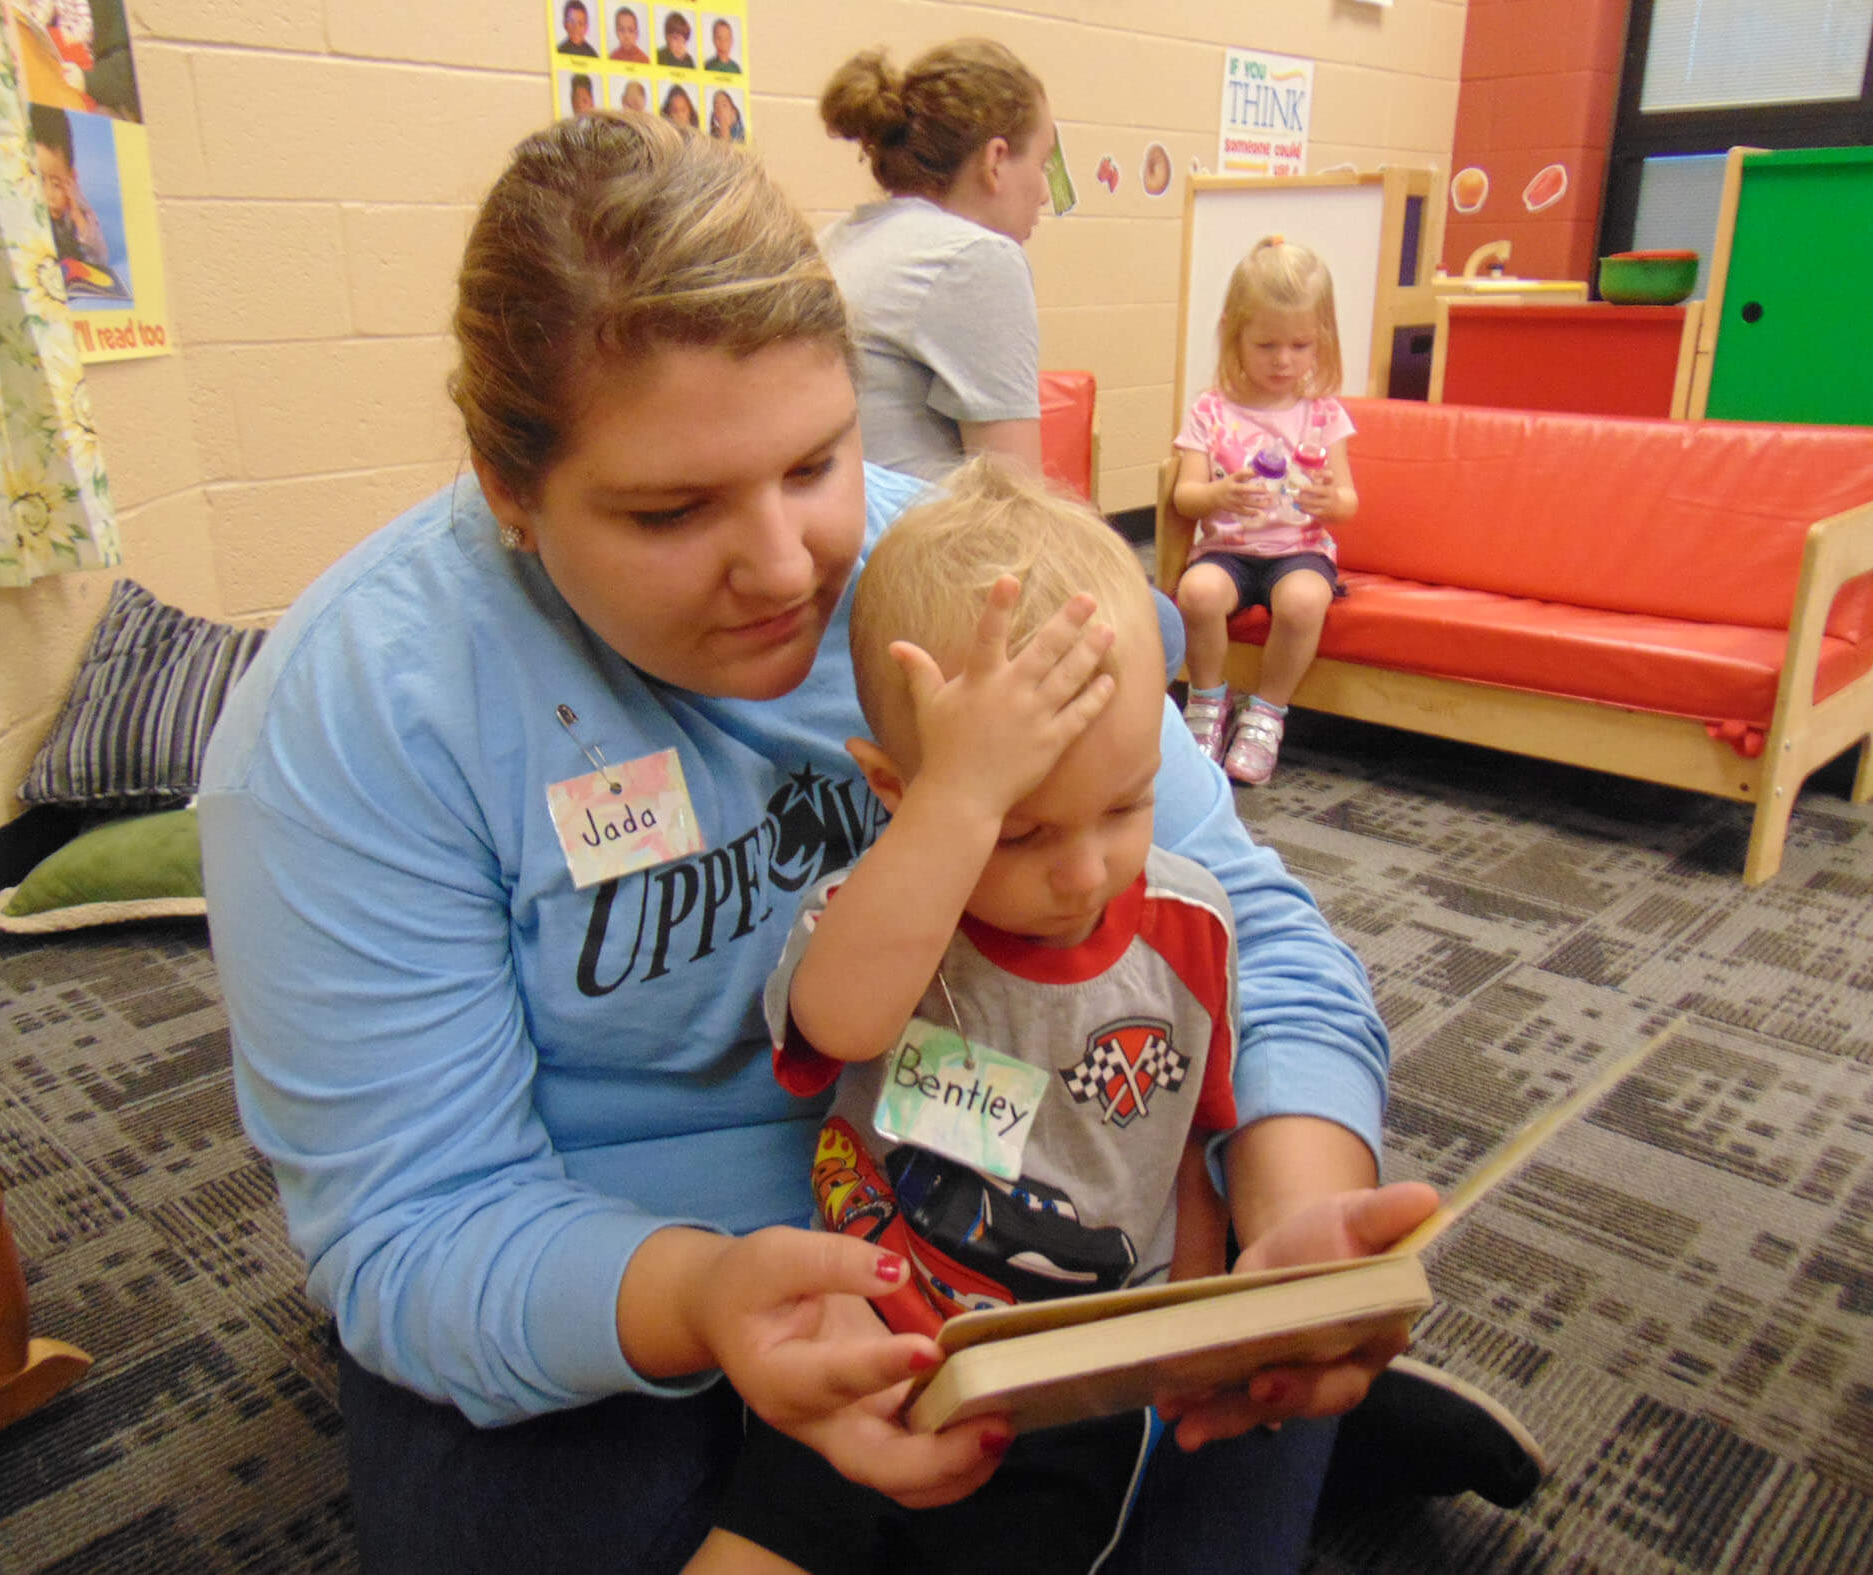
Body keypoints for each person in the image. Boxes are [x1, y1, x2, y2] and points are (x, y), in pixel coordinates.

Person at [201, 113, 1431, 1575]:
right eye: (671, 509)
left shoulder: (965, 587)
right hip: (621, 1257)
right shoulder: (358, 709)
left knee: (1193, 1463)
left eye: (817, 461)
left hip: (1039, 1210)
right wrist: (706, 1298)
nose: (785, 570)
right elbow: (411, 1218)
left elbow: (1251, 929)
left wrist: (1288, 1226)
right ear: (506, 482)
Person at [686, 459, 1253, 1574]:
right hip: (871, 1324)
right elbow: (842, 1022)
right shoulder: (884, 917)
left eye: (1126, 804)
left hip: (1068, 1363)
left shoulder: (1190, 928)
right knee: (772, 1530)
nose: (1083, 872)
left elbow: (1187, 1137)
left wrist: (1193, 1312)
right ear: (898, 793)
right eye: (1022, 832)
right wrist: (957, 810)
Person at [816, 41, 1053, 480]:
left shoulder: (836, 238)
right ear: (996, 160)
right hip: (906, 544)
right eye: (1042, 164)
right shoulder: (979, 259)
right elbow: (1014, 503)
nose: (1043, 193)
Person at [1171, 240, 1359, 785]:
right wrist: (1218, 494)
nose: (1284, 360)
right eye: (1267, 344)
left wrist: (1332, 502)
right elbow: (1187, 496)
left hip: (1299, 550)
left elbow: (1347, 501)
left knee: (1303, 602)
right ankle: (1207, 702)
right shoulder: (1210, 410)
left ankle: (1268, 712)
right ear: (1234, 333)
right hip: (1227, 549)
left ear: (1322, 339)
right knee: (1197, 593)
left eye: (1300, 345)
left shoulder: (1323, 415)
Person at [28, 104, 111, 270]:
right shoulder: (29, 208)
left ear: (72, 179)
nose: (48, 195)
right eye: (40, 181)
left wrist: (80, 220)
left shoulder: (79, 214)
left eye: (57, 185)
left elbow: (101, 260)